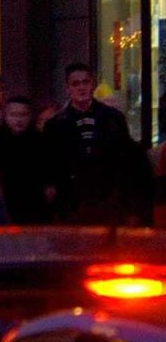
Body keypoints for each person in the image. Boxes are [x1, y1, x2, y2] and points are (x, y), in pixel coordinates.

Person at [43, 62, 152, 226]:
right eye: (75, 83)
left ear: (92, 84)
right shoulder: (55, 125)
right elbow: (50, 162)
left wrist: (130, 204)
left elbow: (126, 161)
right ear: (68, 88)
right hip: (72, 203)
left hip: (107, 199)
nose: (81, 88)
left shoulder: (112, 118)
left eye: (85, 82)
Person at [0, 96, 51, 223]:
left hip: (34, 204)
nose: (19, 119)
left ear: (30, 116)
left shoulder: (39, 141)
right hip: (6, 203)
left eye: (23, 114)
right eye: (14, 115)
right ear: (5, 116)